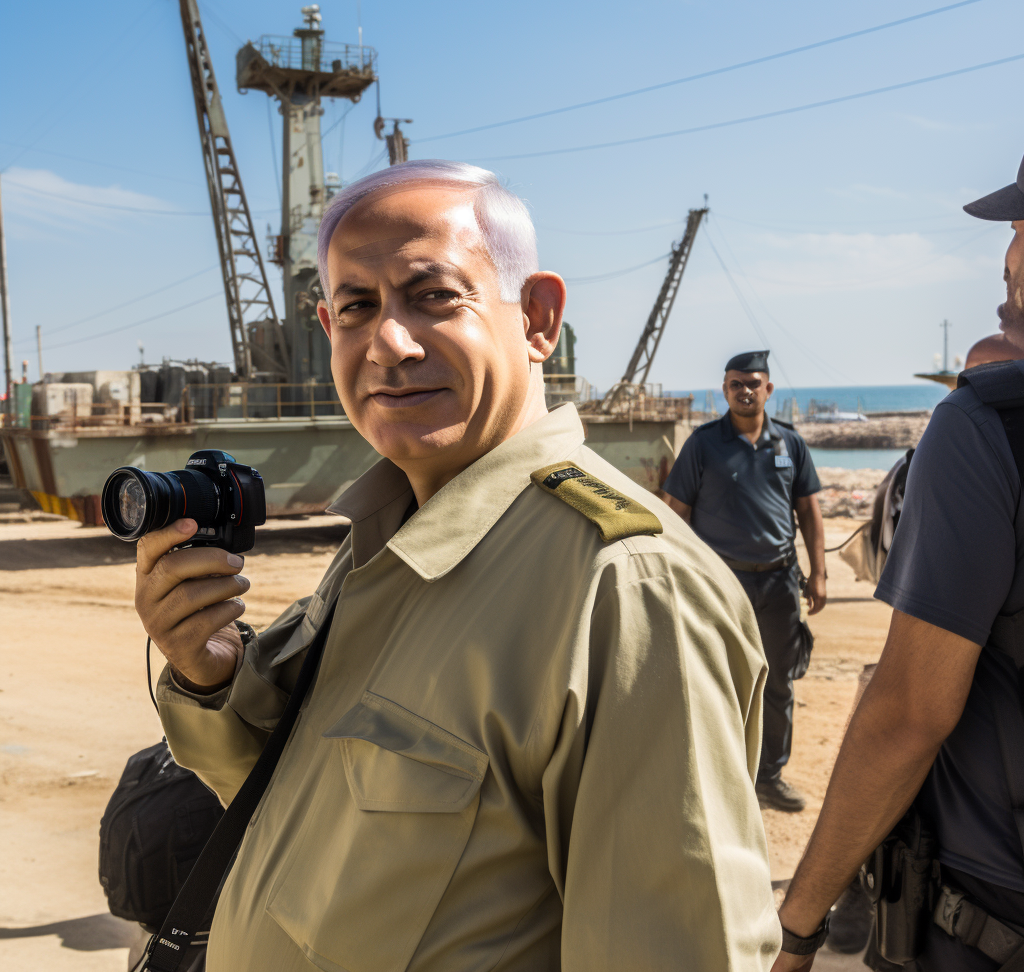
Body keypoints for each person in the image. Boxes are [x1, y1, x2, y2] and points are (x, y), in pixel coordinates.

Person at [136, 159, 781, 971]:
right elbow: (294, 802)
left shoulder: (625, 590)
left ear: (538, 317)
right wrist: (210, 673)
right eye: (356, 308)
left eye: (433, 296)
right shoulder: (393, 535)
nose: (389, 344)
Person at [772, 152, 1024, 971]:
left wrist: (798, 925)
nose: (1010, 252)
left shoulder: (987, 428)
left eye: (1021, 227)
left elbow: (910, 711)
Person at [659, 351, 826, 813]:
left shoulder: (790, 445)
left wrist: (820, 576)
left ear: (768, 389)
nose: (745, 391)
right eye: (736, 384)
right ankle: (724, 777)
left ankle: (769, 778)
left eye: (753, 383)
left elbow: (809, 511)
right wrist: (678, 575)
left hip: (779, 585)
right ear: (724, 390)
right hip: (720, 586)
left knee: (778, 683)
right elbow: (676, 513)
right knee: (719, 681)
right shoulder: (704, 444)